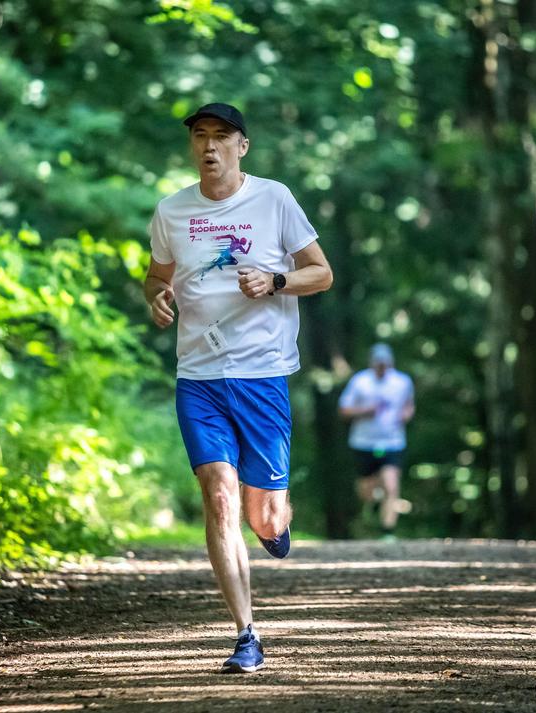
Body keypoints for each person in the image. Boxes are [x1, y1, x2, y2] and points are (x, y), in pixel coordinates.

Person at [144, 103, 332, 673]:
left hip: (262, 374)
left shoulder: (274, 199)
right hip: (198, 377)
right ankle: (246, 633)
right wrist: (155, 296)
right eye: (200, 137)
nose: (210, 147)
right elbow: (157, 275)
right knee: (219, 494)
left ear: (242, 146)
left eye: (222, 137)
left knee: (263, 517)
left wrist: (276, 280)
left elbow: (320, 272)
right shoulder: (171, 210)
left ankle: (276, 521)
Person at [338, 343, 415, 539]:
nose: (382, 367)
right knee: (367, 490)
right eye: (378, 363)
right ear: (372, 363)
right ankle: (373, 502)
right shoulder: (360, 381)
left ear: (390, 363)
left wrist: (405, 415)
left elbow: (409, 406)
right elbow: (344, 410)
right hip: (363, 442)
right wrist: (365, 411)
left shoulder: (402, 382)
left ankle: (388, 531)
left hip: (392, 442)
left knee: (391, 485)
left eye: (385, 364)